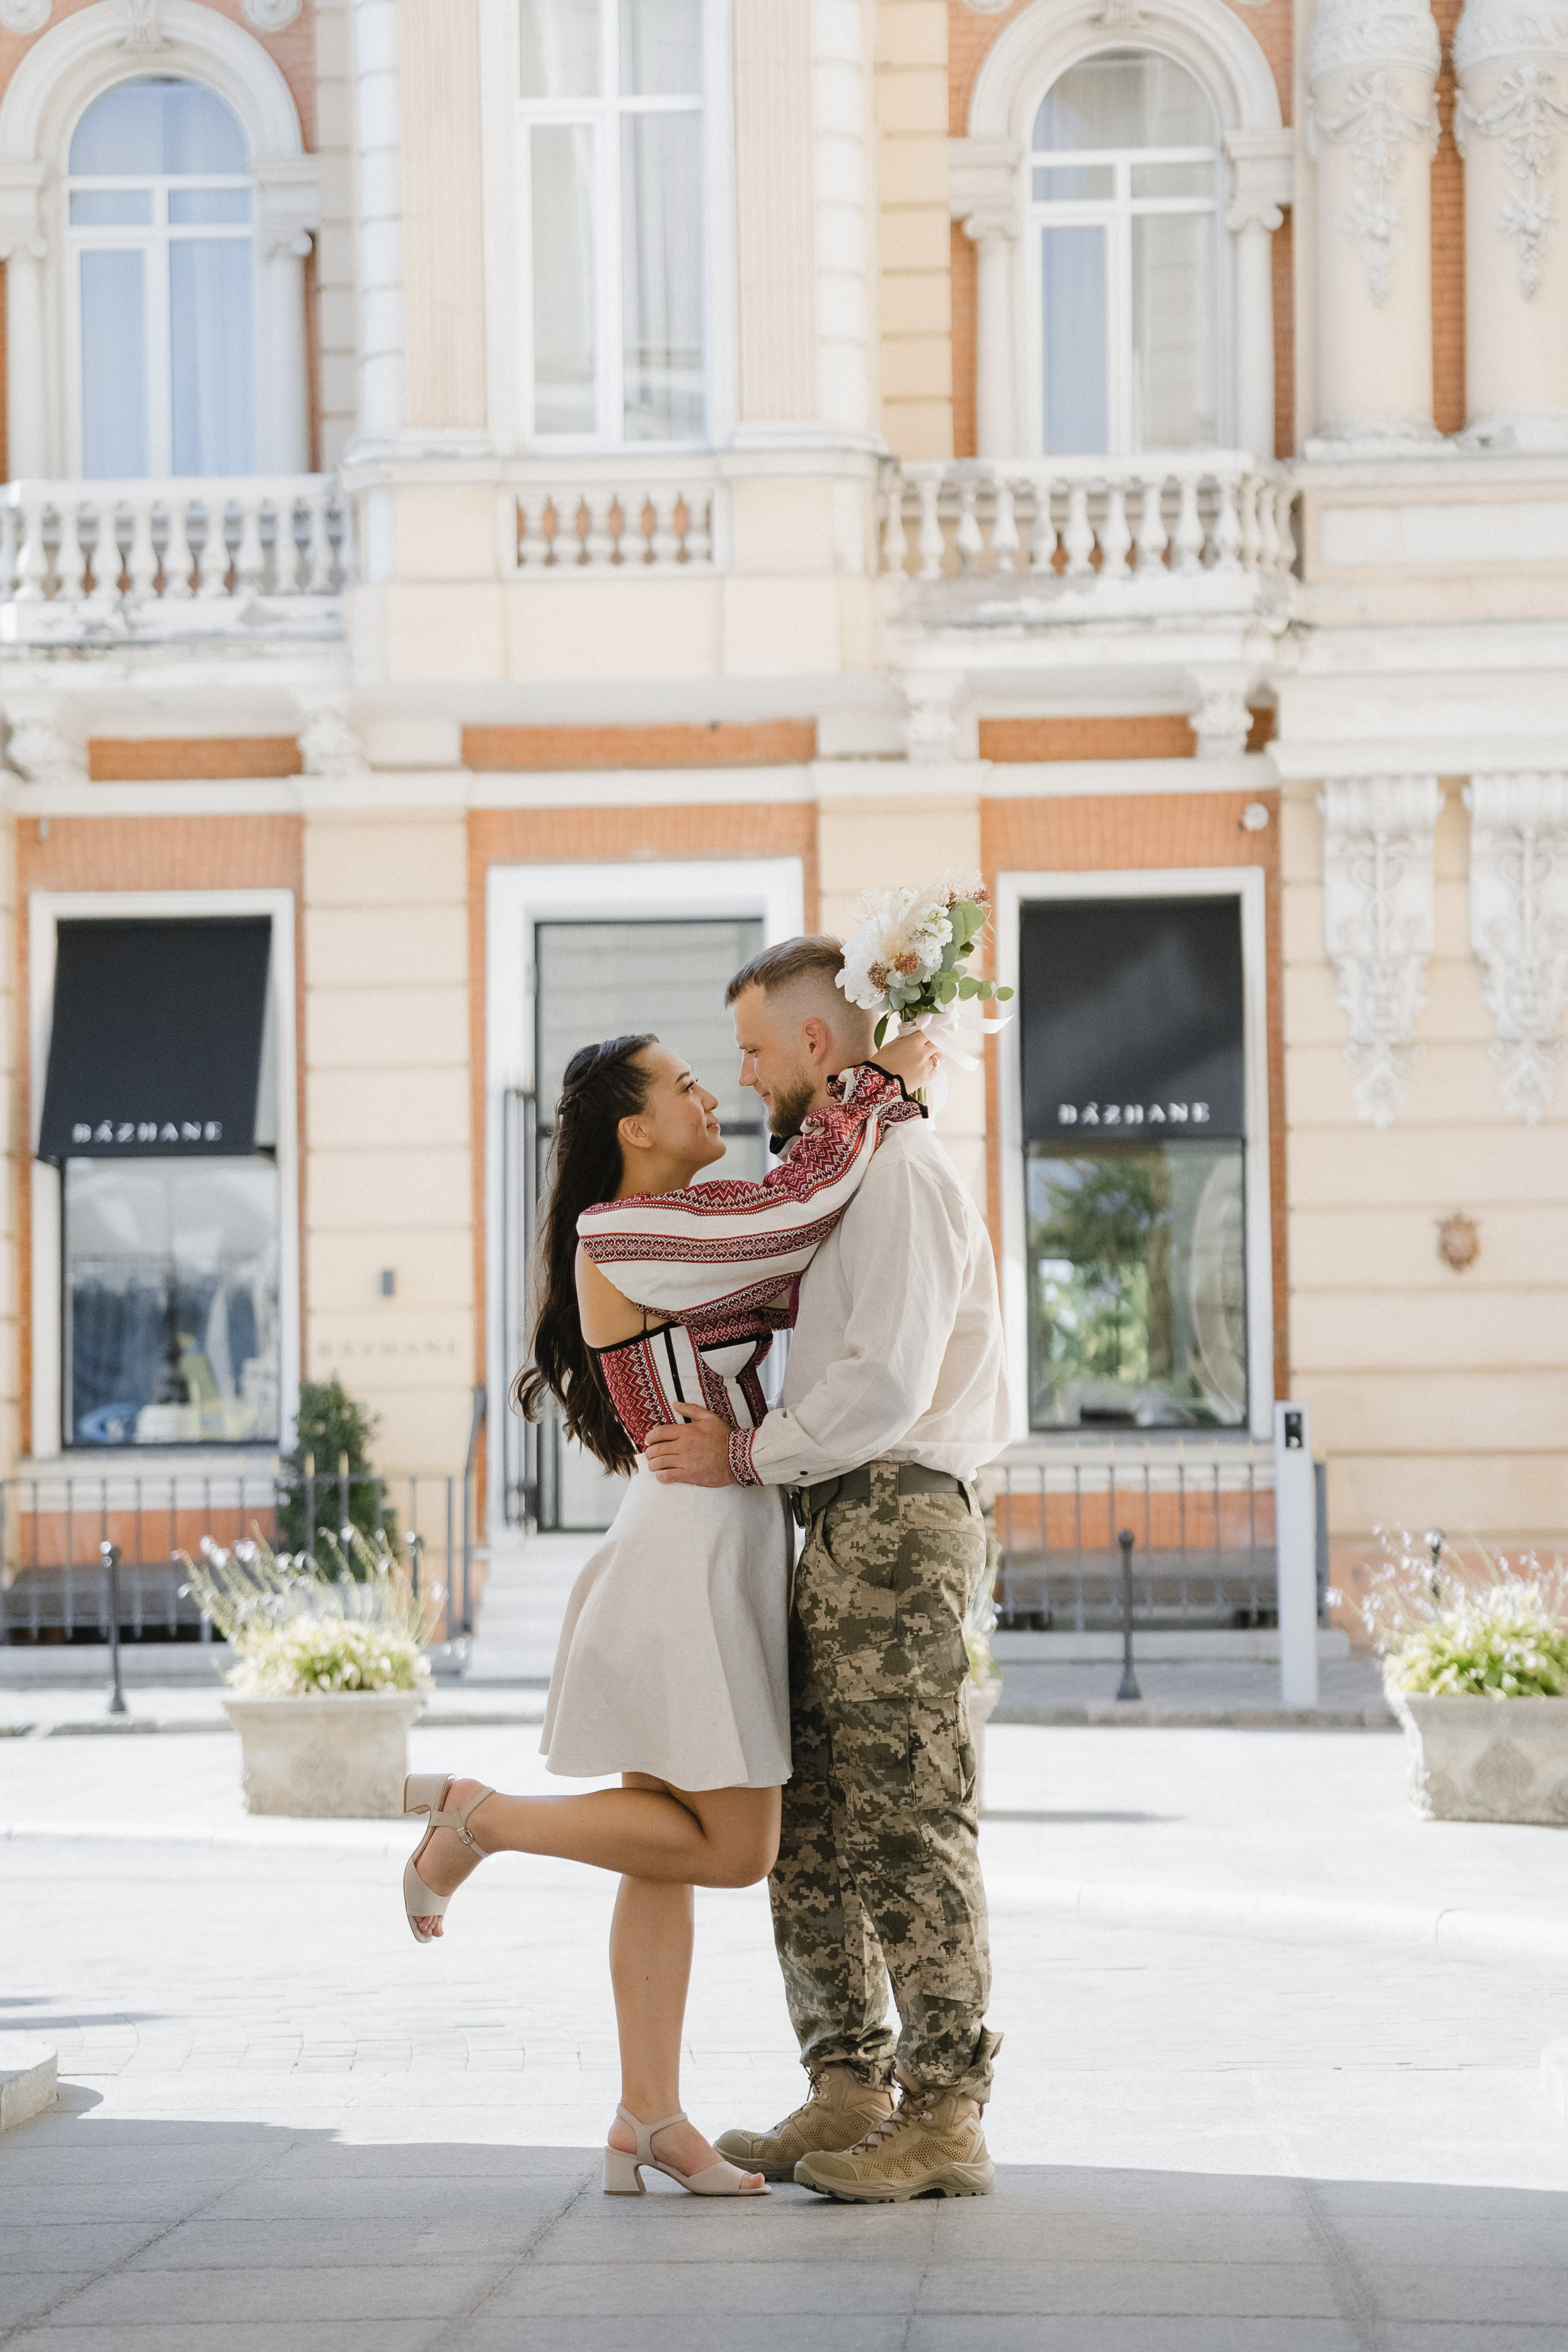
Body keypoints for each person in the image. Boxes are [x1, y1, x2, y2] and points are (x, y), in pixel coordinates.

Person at [398, 1024, 933, 2201]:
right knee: (738, 1850)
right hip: (689, 1560)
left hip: (703, 1546)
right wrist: (886, 1087)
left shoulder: (683, 1228)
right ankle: (482, 1819)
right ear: (633, 1129)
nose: (708, 1094)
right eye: (684, 1084)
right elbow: (796, 1216)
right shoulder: (619, 1229)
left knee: (664, 1855)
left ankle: (649, 2117)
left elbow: (799, 1235)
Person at [641, 935, 1010, 2203]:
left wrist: (747, 1456)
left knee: (909, 1818)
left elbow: (887, 1382)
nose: (743, 1077)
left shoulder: (898, 1170)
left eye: (752, 1049)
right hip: (836, 1516)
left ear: (816, 1043)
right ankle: (847, 2082)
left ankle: (945, 2116)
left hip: (898, 1514)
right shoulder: (840, 1175)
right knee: (812, 1821)